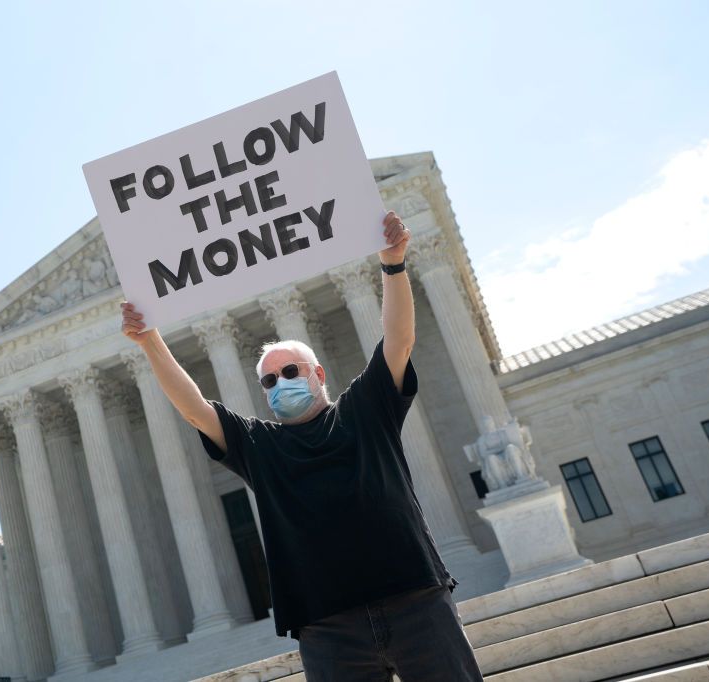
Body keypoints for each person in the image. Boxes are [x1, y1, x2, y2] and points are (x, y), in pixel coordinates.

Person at [120, 211, 484, 681]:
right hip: (328, 627)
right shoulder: (259, 445)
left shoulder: (364, 411)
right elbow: (194, 409)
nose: (279, 383)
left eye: (290, 371)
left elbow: (399, 341)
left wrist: (393, 266)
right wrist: (149, 341)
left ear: (318, 375)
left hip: (415, 601)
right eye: (269, 379)